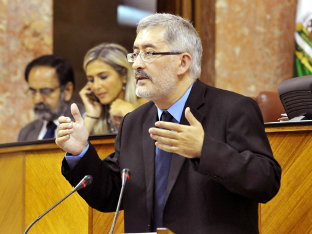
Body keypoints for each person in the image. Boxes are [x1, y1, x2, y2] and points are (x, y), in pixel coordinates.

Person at [56, 13, 281, 234]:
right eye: (135, 54)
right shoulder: (134, 122)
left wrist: (205, 150)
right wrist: (80, 153)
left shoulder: (232, 109)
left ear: (183, 62)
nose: (136, 65)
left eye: (149, 53)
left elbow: (266, 182)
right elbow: (110, 194)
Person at [79, 43, 147, 134]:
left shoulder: (148, 106)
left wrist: (130, 114)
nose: (95, 86)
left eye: (103, 77)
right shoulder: (93, 113)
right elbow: (77, 145)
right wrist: (92, 115)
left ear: (124, 75)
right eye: (91, 80)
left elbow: (152, 145)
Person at [18, 54, 85, 142]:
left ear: (67, 90)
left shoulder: (87, 122)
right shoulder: (26, 132)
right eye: (33, 91)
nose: (38, 99)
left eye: (46, 91)